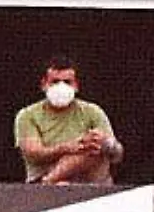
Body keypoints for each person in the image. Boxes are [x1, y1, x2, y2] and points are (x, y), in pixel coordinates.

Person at [12, 56, 124, 185]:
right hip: (42, 182)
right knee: (83, 151)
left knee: (92, 150)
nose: (61, 86)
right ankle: (50, 182)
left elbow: (118, 154)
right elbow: (33, 153)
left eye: (67, 82)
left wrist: (105, 143)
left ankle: (50, 182)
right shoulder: (27, 115)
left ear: (76, 86)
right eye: (55, 82)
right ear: (43, 85)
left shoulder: (93, 111)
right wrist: (68, 148)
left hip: (90, 183)